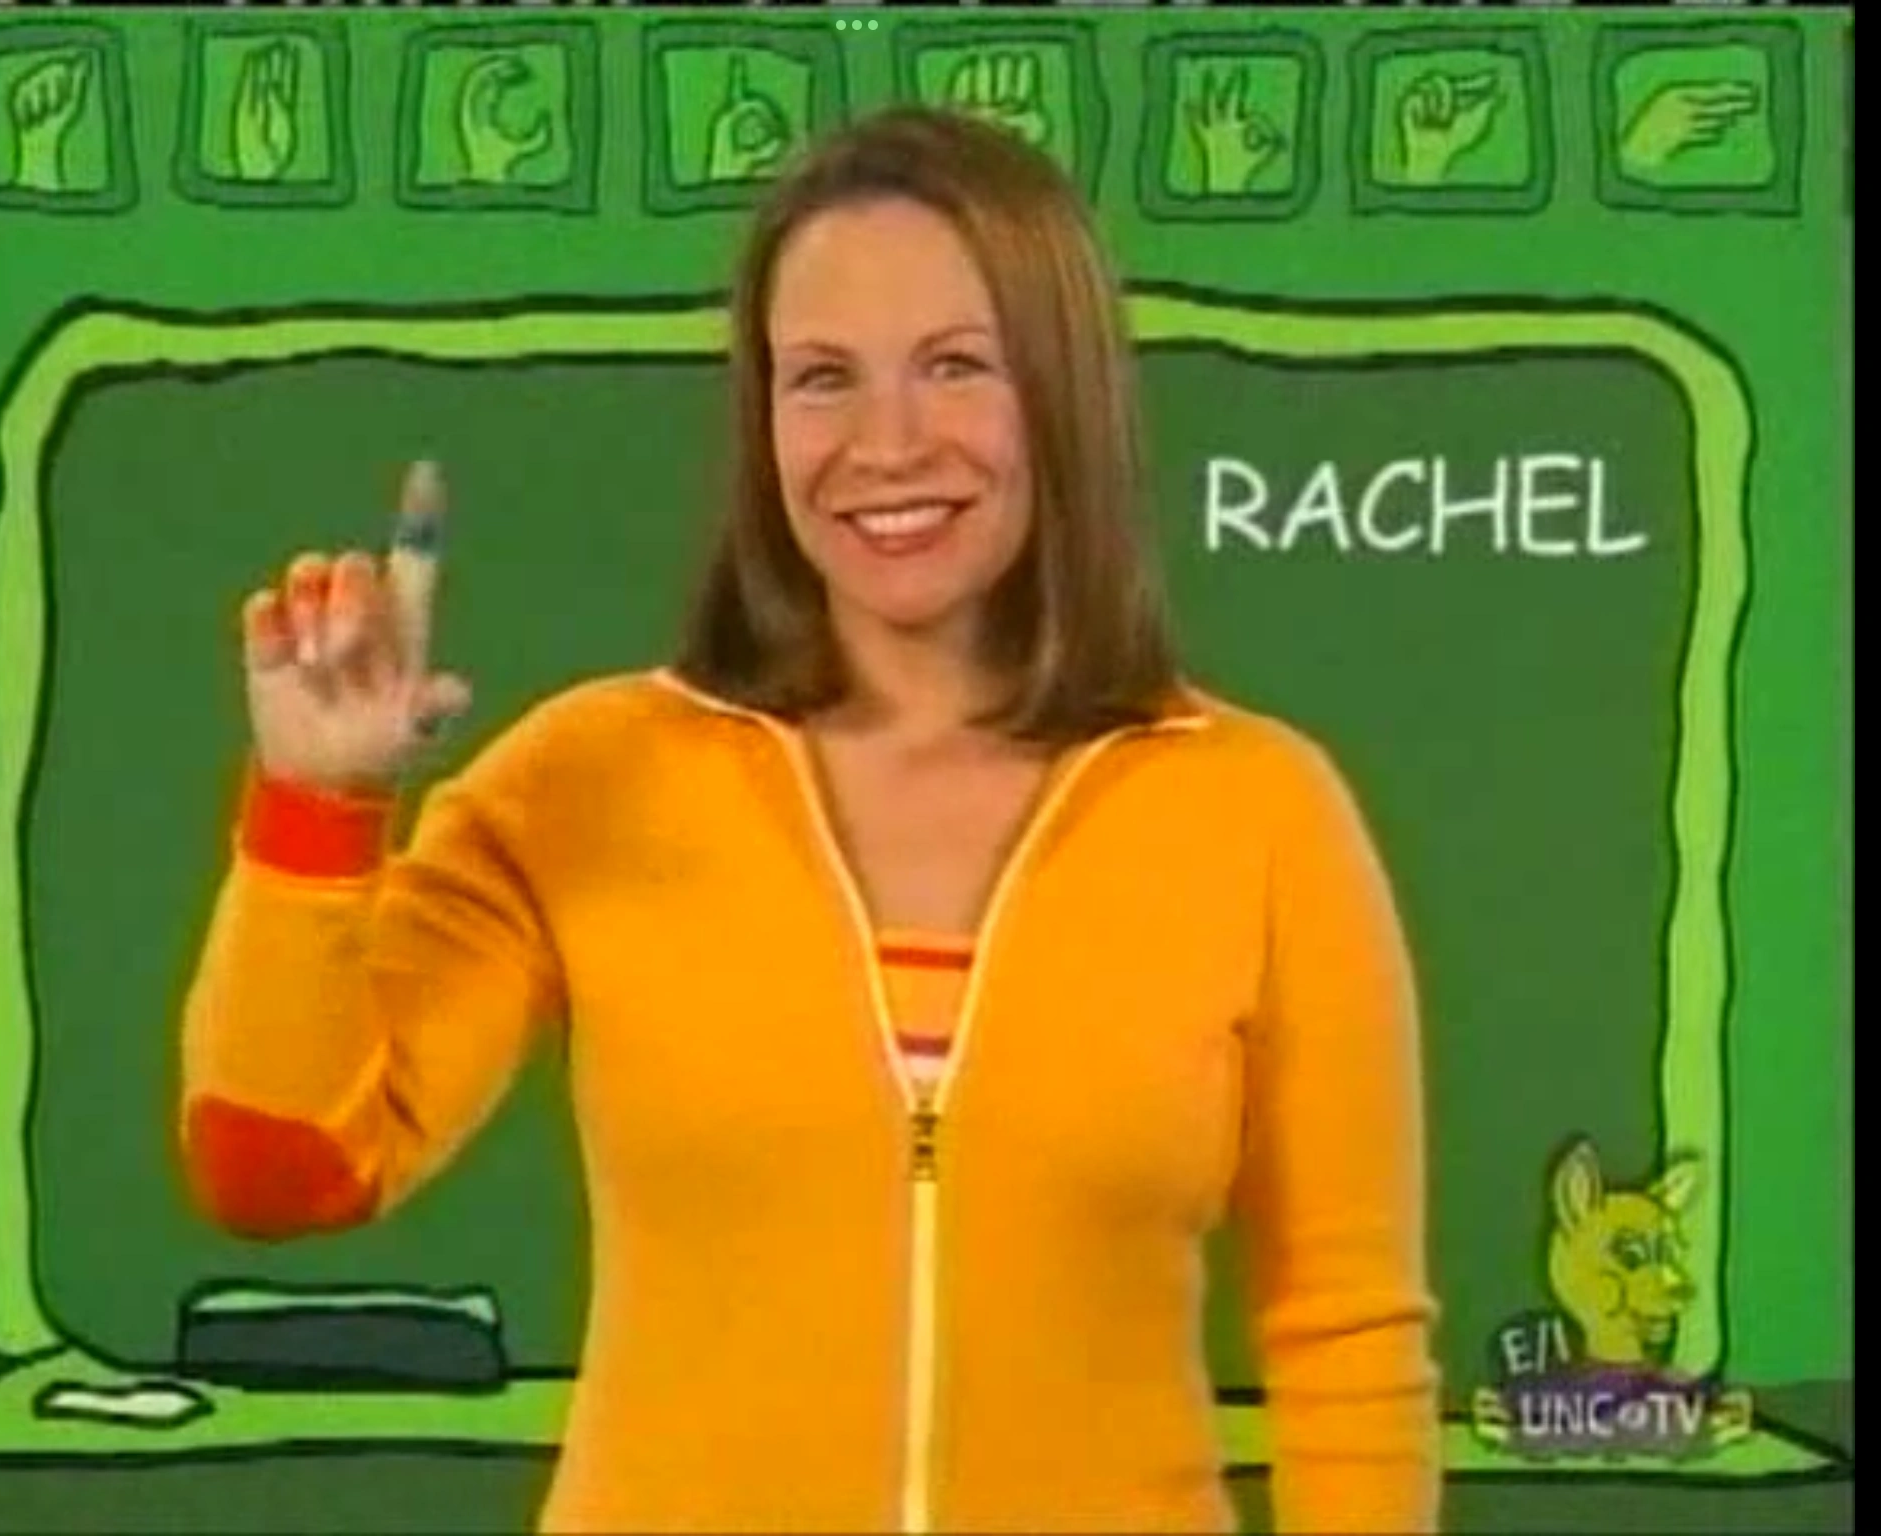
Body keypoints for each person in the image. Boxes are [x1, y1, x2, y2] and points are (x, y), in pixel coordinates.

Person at [178, 106, 1441, 1534]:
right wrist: (318, 808)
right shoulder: (590, 779)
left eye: (956, 365)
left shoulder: (1259, 811)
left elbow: (1346, 1344)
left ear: (1065, 392)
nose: (885, 445)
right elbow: (277, 1168)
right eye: (822, 379)